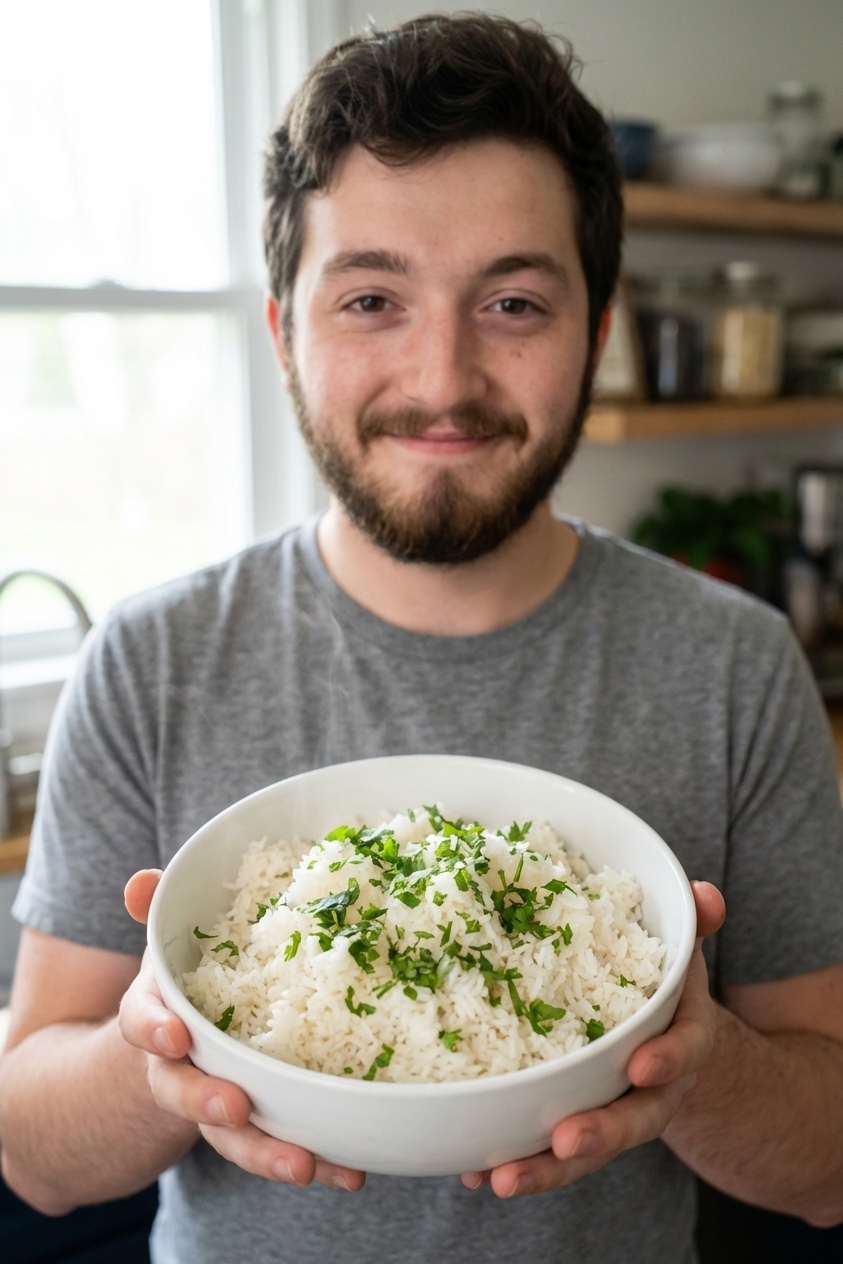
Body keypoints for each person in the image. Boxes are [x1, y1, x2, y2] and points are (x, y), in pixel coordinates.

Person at [2, 13, 843, 1264]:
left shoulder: (735, 664)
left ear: (597, 334)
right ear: (286, 332)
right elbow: (30, 1151)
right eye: (372, 298)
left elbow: (831, 1170)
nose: (441, 376)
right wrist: (160, 1047)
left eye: (512, 300)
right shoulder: (150, 657)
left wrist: (696, 1069)